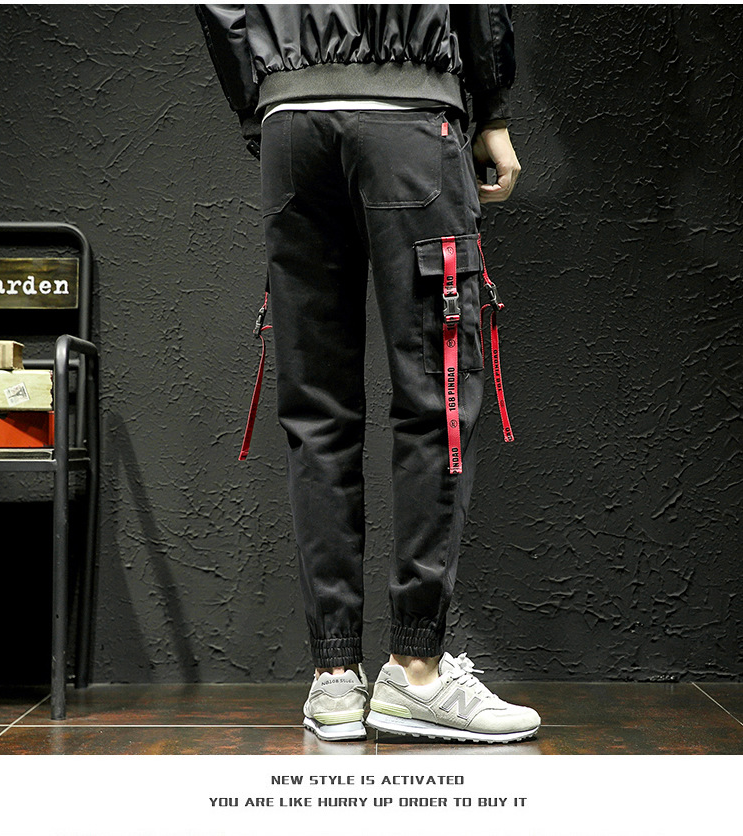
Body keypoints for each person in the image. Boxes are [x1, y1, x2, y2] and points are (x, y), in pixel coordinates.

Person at [196, 4, 540, 743]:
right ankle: (415, 670)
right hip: (408, 109)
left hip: (292, 120)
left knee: (316, 407)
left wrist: (262, 95)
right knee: (435, 396)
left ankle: (333, 678)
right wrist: (491, 107)